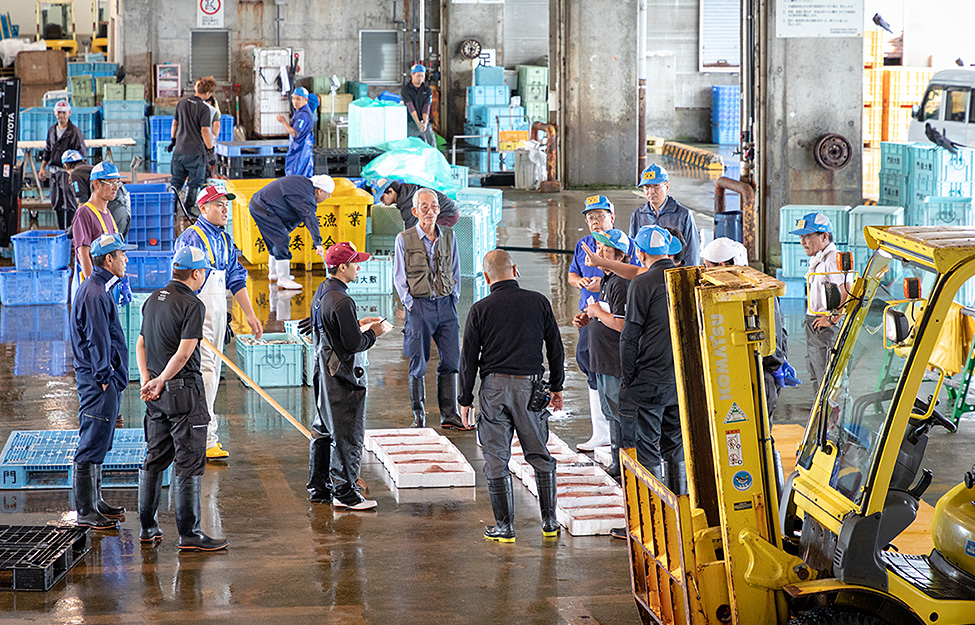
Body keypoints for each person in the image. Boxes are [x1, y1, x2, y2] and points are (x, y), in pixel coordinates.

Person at [458, 249, 565, 542]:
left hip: (493, 390)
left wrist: (464, 399)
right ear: (515, 269)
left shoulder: (480, 309)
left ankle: (505, 528)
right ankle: (550, 522)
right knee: (540, 455)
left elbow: (467, 358)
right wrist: (557, 386)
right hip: (530, 388)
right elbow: (555, 347)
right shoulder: (538, 302)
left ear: (486, 277)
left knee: (496, 458)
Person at [136, 247, 229, 552]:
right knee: (188, 461)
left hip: (156, 395)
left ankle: (148, 528)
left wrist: (148, 379)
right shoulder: (192, 304)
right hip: (182, 392)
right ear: (197, 273)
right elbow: (185, 352)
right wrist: (163, 378)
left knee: (155, 457)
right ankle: (189, 533)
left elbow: (141, 343)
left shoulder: (152, 299)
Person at [174, 185, 264, 460]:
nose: (225, 209)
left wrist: (248, 314)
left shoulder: (225, 240)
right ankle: (203, 436)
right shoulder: (191, 237)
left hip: (217, 310)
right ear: (203, 208)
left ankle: (205, 435)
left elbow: (236, 277)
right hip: (198, 313)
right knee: (203, 371)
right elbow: (181, 280)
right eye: (218, 204)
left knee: (212, 372)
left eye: (227, 204)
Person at [304, 242, 389, 510]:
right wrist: (375, 332)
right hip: (339, 376)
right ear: (343, 267)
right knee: (346, 431)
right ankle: (345, 492)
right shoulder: (343, 300)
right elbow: (354, 344)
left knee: (323, 429)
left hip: (322, 370)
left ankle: (319, 487)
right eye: (355, 263)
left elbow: (332, 329)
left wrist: (359, 324)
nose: (359, 267)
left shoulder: (324, 291)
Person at [69, 233, 136, 530]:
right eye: (122, 255)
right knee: (92, 441)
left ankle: (96, 501)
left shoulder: (102, 286)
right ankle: (85, 510)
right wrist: (104, 377)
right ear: (109, 260)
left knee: (101, 441)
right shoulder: (95, 293)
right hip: (98, 380)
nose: (126, 260)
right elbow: (97, 340)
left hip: (105, 378)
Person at [393, 188, 469, 431]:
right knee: (418, 362)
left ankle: (450, 414)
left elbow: (456, 268)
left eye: (434, 206)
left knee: (451, 360)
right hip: (419, 306)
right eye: (424, 207)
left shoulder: (449, 235)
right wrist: (410, 304)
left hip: (446, 305)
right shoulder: (403, 238)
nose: (430, 211)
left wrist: (453, 297)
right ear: (415, 211)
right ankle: (419, 416)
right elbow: (399, 277)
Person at [568, 195, 639, 452]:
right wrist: (589, 312)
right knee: (590, 367)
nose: (595, 222)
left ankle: (620, 448)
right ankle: (603, 434)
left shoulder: (620, 273)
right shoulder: (584, 245)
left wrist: (597, 309)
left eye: (600, 216)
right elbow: (573, 273)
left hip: (611, 332)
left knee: (614, 388)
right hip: (594, 322)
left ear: (612, 216)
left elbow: (623, 319)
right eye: (590, 218)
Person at [620, 226, 685, 494]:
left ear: (641, 252)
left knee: (645, 446)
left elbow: (630, 336)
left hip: (649, 379)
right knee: (676, 447)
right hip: (680, 380)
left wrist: (628, 377)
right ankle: (681, 508)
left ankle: (654, 516)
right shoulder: (686, 278)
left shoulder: (642, 283)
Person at [574, 229, 633, 480]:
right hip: (603, 360)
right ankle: (618, 459)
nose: (599, 254)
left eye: (605, 250)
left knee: (620, 414)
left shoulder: (620, 282)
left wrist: (597, 312)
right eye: (599, 248)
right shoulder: (608, 279)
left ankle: (627, 464)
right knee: (611, 413)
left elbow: (621, 324)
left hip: (614, 361)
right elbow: (605, 311)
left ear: (620, 256)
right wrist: (588, 317)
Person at [791, 212, 852, 390]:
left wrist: (832, 318)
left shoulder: (833, 259)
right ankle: (823, 416)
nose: (803, 242)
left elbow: (846, 289)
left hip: (825, 327)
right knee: (817, 374)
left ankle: (833, 416)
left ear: (824, 236)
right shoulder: (819, 259)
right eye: (801, 237)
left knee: (829, 379)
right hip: (816, 325)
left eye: (807, 236)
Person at [248, 174, 333, 290]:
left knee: (275, 240)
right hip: (263, 207)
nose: (327, 198)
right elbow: (310, 219)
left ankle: (274, 275)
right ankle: (283, 279)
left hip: (259, 204)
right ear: (320, 191)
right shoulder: (306, 196)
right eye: (327, 195)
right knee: (280, 239)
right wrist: (317, 242)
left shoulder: (303, 185)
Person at [72, 162, 132, 307]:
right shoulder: (84, 213)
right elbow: (83, 254)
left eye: (117, 182)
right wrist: (93, 290)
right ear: (96, 183)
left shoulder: (108, 214)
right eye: (111, 183)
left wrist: (123, 280)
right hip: (94, 291)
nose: (116, 187)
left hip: (108, 287)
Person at [629, 164, 701, 267]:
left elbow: (691, 252)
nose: (651, 191)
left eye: (656, 186)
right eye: (647, 187)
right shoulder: (638, 215)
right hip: (646, 274)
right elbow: (633, 250)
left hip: (673, 274)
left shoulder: (683, 215)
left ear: (667, 187)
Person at [169, 76, 217, 215]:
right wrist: (210, 150)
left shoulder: (182, 103)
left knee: (176, 182)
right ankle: (188, 210)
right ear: (208, 93)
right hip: (195, 153)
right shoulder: (204, 108)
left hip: (179, 151)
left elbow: (174, 124)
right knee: (194, 184)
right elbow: (205, 131)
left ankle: (171, 210)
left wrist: (173, 140)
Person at [39, 99, 86, 230]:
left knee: (70, 202)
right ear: (55, 114)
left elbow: (81, 154)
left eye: (64, 113)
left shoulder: (75, 132)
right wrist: (43, 168)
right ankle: (62, 232)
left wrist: (75, 174)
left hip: (68, 173)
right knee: (57, 202)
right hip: (54, 172)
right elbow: (47, 150)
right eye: (59, 112)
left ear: (69, 113)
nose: (61, 115)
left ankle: (72, 232)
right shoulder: (52, 130)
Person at [64, 150, 131, 239]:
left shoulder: (76, 174)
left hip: (114, 206)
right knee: (116, 243)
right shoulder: (90, 169)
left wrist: (73, 228)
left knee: (108, 243)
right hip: (124, 205)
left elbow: (82, 203)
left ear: (66, 166)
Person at [377, 180, 459, 228]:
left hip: (447, 215)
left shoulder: (407, 202)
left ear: (391, 191)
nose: (381, 201)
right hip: (448, 211)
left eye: (382, 198)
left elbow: (411, 229)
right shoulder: (406, 194)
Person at [278, 87, 315, 177]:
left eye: (298, 99)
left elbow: (295, 133)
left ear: (305, 100)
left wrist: (283, 122)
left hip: (300, 151)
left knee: (296, 177)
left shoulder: (302, 115)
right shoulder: (300, 111)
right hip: (300, 149)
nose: (295, 101)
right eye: (293, 98)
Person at [401, 64, 435, 146]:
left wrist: (425, 123)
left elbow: (426, 107)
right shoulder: (406, 90)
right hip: (411, 122)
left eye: (422, 76)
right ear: (412, 75)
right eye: (418, 76)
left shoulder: (427, 90)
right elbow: (410, 107)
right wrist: (418, 123)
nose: (421, 78)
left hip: (424, 122)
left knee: (431, 140)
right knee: (410, 145)